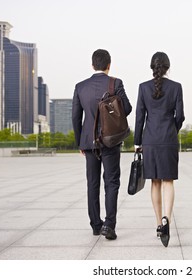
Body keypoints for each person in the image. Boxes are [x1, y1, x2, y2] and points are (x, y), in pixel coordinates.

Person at [72, 49, 132, 240]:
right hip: (111, 141)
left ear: (92, 65)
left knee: (92, 183)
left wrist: (80, 141)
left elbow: (75, 117)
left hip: (89, 142)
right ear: (109, 65)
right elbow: (128, 109)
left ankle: (96, 225)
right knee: (112, 182)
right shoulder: (115, 83)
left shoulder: (80, 87)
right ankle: (109, 225)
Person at [134, 52, 185, 247]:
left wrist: (138, 141)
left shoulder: (143, 88)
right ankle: (167, 220)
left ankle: (157, 224)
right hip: (169, 139)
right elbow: (180, 116)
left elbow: (140, 117)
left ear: (152, 67)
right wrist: (172, 129)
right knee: (168, 181)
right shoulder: (176, 87)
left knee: (154, 182)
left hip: (150, 140)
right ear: (167, 67)